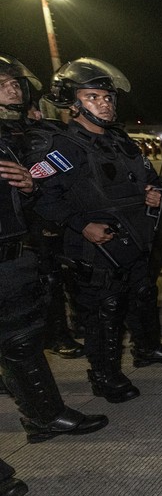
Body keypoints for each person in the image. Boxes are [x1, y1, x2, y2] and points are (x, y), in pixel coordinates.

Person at [27, 58, 162, 404]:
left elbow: (146, 176)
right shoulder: (62, 145)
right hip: (94, 247)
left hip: (134, 237)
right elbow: (41, 196)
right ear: (73, 102)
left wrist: (153, 192)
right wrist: (81, 224)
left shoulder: (120, 139)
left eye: (107, 97)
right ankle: (105, 377)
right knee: (105, 311)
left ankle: (146, 349)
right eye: (93, 96)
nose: (104, 103)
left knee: (143, 294)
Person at [1, 104, 108, 444]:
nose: (12, 89)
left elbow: (29, 203)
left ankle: (45, 416)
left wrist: (28, 188)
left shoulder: (7, 141)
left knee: (21, 343)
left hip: (12, 256)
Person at [1, 54, 83, 359]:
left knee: (50, 279)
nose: (13, 89)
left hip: (33, 226)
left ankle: (57, 334)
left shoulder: (30, 129)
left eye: (14, 82)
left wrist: (32, 187)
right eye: (2, 84)